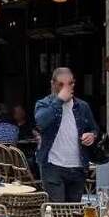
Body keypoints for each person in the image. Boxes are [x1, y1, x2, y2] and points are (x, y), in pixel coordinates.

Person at [34, 67, 98, 203]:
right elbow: (41, 122)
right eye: (61, 85)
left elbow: (94, 129)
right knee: (57, 210)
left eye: (70, 84)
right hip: (53, 166)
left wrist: (91, 135)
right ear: (53, 84)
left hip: (77, 166)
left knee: (74, 211)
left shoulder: (82, 106)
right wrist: (59, 100)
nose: (66, 88)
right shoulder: (44, 104)